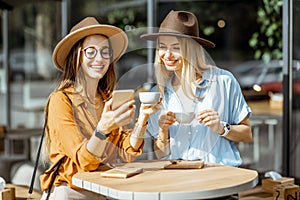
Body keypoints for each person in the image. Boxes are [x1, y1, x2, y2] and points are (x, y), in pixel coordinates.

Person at [40, 17, 161, 199]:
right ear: (76, 56)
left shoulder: (107, 99)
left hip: (102, 192)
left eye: (105, 52)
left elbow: (127, 152)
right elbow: (84, 160)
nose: (99, 58)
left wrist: (143, 119)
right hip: (69, 193)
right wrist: (103, 129)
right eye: (91, 52)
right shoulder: (60, 101)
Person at [141, 10, 252, 166]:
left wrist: (221, 127)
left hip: (219, 178)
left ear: (191, 49)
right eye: (162, 47)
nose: (167, 55)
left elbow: (246, 134)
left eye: (176, 48)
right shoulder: (158, 93)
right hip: (178, 181)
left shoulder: (223, 81)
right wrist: (162, 130)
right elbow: (160, 154)